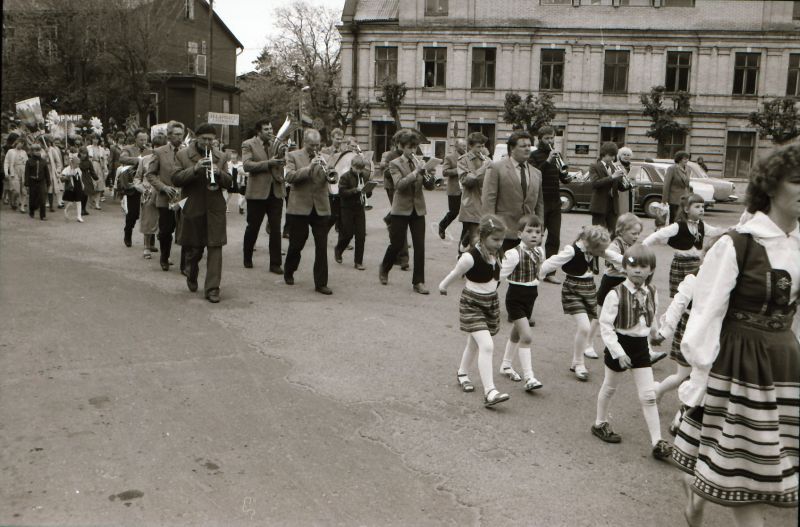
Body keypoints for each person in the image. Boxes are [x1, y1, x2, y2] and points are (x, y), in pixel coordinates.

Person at [673, 143, 799, 527]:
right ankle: (697, 497)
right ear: (771, 186)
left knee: (766, 459)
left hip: (784, 364)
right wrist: (699, 375)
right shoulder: (737, 244)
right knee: (742, 470)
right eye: (798, 181)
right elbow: (706, 315)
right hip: (740, 365)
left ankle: (697, 493)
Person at [592, 244, 673, 461]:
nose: (637, 270)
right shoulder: (615, 294)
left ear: (651, 269)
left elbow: (651, 315)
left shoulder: (652, 292)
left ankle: (657, 441)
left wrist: (654, 333)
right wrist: (618, 352)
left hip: (639, 347)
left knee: (647, 396)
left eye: (643, 266)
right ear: (625, 269)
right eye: (632, 265)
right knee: (609, 387)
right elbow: (606, 326)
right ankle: (599, 423)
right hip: (620, 344)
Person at [439, 215, 511, 408]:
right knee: (486, 345)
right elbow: (455, 273)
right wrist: (443, 286)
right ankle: (490, 392)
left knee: (474, 343)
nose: (499, 243)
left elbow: (498, 277)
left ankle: (462, 373)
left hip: (489, 303)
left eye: (501, 239)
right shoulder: (470, 257)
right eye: (495, 240)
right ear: (483, 236)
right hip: (472, 304)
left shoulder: (498, 254)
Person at [539, 225, 621, 382]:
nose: (603, 253)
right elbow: (552, 262)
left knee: (584, 328)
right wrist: (537, 275)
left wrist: (635, 262)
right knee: (585, 327)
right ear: (590, 245)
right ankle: (579, 363)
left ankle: (575, 361)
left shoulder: (596, 248)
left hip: (589, 289)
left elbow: (615, 257)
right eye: (601, 250)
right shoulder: (572, 250)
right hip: (573, 289)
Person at [171, 123, 232, 303]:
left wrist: (219, 173)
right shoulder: (182, 155)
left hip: (215, 208)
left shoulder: (221, 156)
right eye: (204, 139)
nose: (207, 143)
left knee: (215, 247)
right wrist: (195, 169)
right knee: (194, 248)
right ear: (197, 138)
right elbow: (175, 179)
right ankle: (191, 271)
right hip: (193, 207)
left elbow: (230, 183)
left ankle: (212, 288)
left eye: (211, 140)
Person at [379, 129, 436, 294]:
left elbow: (430, 187)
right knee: (397, 244)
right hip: (401, 208)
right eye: (410, 148)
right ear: (402, 147)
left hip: (418, 209)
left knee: (420, 246)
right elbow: (399, 185)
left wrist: (429, 175)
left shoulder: (419, 163)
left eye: (415, 147)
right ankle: (385, 267)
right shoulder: (394, 163)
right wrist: (416, 172)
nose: (413, 151)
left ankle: (418, 282)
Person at [283, 128, 336, 295]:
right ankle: (289, 269)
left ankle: (321, 283)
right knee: (297, 243)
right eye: (312, 145)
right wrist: (309, 167)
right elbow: (289, 177)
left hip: (320, 206)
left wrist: (330, 173)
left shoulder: (326, 158)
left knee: (321, 246)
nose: (315, 148)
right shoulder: (293, 156)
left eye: (317, 145)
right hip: (299, 207)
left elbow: (333, 178)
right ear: (304, 143)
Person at [643, 193, 724, 297]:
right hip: (680, 263)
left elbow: (714, 231)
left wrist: (728, 230)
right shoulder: (677, 226)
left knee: (695, 292)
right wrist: (644, 245)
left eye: (702, 207)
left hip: (695, 263)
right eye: (697, 207)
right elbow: (658, 235)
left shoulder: (702, 225)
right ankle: (681, 312)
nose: (701, 209)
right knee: (679, 293)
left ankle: (690, 311)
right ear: (686, 210)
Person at [498, 214, 545, 392]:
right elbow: (500, 275)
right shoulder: (513, 254)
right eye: (529, 231)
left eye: (538, 232)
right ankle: (529, 377)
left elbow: (541, 273)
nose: (534, 235)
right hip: (515, 298)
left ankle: (505, 365)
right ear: (519, 234)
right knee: (526, 336)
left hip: (531, 296)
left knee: (517, 333)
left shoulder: (540, 251)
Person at [482, 131, 544, 253]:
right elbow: (488, 201)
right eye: (523, 146)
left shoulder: (537, 173)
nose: (527, 149)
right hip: (503, 233)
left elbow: (539, 204)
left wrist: (539, 230)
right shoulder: (496, 168)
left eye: (529, 146)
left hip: (527, 234)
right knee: (502, 270)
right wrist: (490, 229)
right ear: (512, 148)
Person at [241, 119, 286, 273]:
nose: (270, 131)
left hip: (276, 191)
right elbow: (247, 165)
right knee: (253, 227)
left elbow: (282, 163)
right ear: (258, 131)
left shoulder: (276, 144)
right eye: (266, 129)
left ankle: (275, 264)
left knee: (276, 229)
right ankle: (247, 257)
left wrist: (283, 157)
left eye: (271, 128)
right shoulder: (248, 144)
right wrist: (269, 163)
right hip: (257, 193)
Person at [529, 126, 572, 284]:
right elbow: (533, 175)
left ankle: (549, 272)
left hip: (555, 202)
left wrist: (568, 177)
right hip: (540, 202)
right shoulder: (534, 156)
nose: (550, 141)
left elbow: (562, 177)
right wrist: (547, 161)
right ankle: (532, 269)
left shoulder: (557, 155)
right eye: (547, 138)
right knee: (536, 238)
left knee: (554, 238)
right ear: (540, 139)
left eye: (552, 138)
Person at [146, 121, 186, 272]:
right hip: (166, 196)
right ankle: (164, 257)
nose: (179, 138)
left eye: (181, 134)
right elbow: (150, 174)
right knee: (165, 230)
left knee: (184, 230)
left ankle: (185, 264)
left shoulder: (187, 151)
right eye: (176, 134)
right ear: (169, 136)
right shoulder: (159, 152)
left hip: (183, 197)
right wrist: (163, 187)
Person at [334, 155, 371, 270]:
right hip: (347, 208)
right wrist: (356, 190)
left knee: (361, 236)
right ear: (352, 166)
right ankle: (339, 249)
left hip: (359, 208)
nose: (359, 171)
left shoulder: (364, 176)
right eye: (357, 168)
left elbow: (367, 194)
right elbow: (342, 192)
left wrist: (368, 190)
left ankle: (358, 262)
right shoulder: (345, 177)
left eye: (361, 169)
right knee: (348, 234)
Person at [457, 133, 491, 254]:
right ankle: (469, 267)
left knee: (483, 238)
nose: (481, 149)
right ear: (470, 146)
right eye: (478, 146)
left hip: (485, 204)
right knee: (474, 241)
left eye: (482, 146)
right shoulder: (463, 160)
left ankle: (463, 253)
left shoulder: (486, 160)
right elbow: (466, 181)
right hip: (471, 204)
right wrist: (483, 169)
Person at [379, 132, 409, 270]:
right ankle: (403, 258)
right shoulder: (391, 155)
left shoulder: (410, 154)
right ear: (399, 143)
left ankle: (389, 217)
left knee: (398, 219)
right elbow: (385, 173)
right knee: (401, 220)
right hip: (393, 188)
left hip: (406, 188)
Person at [119, 130, 153, 247]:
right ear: (136, 140)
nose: (144, 142)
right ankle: (127, 233)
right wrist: (140, 160)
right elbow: (122, 159)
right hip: (132, 184)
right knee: (133, 213)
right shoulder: (128, 149)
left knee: (150, 213)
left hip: (147, 185)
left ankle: (150, 243)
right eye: (141, 140)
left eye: (145, 139)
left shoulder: (151, 150)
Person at [588, 142, 628, 234]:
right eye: (611, 156)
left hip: (613, 206)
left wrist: (627, 183)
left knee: (613, 232)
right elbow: (595, 184)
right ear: (604, 154)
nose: (613, 158)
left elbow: (620, 188)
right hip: (599, 205)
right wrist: (612, 177)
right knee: (599, 234)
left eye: (614, 156)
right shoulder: (594, 166)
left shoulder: (614, 167)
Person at [139, 135, 165, 260]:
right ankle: (146, 247)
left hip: (163, 193)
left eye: (160, 147)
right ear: (152, 146)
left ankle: (165, 253)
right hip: (148, 192)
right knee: (148, 220)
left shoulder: (169, 160)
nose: (157, 149)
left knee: (165, 222)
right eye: (155, 147)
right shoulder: (144, 160)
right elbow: (137, 178)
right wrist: (142, 189)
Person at [438, 138, 466, 240]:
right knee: (454, 212)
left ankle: (465, 237)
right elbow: (444, 172)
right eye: (463, 146)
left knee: (466, 214)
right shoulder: (449, 157)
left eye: (465, 146)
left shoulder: (467, 157)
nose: (465, 148)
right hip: (454, 189)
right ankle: (442, 225)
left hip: (466, 189)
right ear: (456, 146)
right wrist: (458, 170)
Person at [662, 150, 692, 224]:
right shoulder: (672, 169)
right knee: (674, 219)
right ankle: (672, 234)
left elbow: (687, 185)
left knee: (684, 219)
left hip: (685, 198)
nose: (687, 160)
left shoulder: (688, 169)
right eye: (684, 159)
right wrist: (664, 200)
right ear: (679, 159)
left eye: (687, 158)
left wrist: (690, 195)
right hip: (674, 199)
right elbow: (666, 184)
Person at [23, 143, 51, 220]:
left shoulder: (43, 161)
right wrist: (27, 183)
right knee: (33, 198)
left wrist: (48, 182)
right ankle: (32, 211)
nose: (38, 152)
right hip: (32, 182)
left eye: (39, 150)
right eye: (36, 151)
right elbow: (27, 173)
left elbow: (47, 172)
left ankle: (43, 215)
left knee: (42, 199)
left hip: (41, 181)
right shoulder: (29, 161)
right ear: (32, 152)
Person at [4, 139, 28, 212]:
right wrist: (6, 173)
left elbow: (27, 163)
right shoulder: (10, 151)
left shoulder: (24, 152)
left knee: (24, 190)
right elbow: (6, 162)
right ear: (16, 143)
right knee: (16, 191)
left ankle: (22, 207)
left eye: (23, 144)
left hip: (23, 171)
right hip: (14, 171)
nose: (21, 145)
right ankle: (13, 201)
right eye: (20, 143)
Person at [61, 154, 85, 222]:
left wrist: (82, 184)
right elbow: (62, 178)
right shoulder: (67, 169)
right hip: (71, 187)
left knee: (79, 201)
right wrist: (67, 176)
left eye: (78, 164)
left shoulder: (78, 169)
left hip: (77, 186)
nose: (78, 165)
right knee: (71, 203)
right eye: (77, 164)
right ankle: (66, 210)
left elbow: (79, 177)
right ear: (73, 163)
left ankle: (79, 216)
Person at [43, 136, 64, 211]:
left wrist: (58, 171)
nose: (47, 143)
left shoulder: (53, 150)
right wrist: (45, 153)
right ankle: (42, 204)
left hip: (51, 171)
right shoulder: (41, 150)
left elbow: (58, 162)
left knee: (50, 188)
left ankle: (51, 206)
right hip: (43, 171)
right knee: (43, 188)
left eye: (48, 142)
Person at [87, 135, 107, 210]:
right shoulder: (88, 148)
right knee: (91, 184)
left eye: (96, 139)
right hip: (91, 166)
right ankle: (90, 201)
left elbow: (104, 160)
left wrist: (104, 167)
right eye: (94, 138)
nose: (95, 140)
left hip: (99, 166)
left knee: (99, 183)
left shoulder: (101, 149)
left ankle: (97, 203)